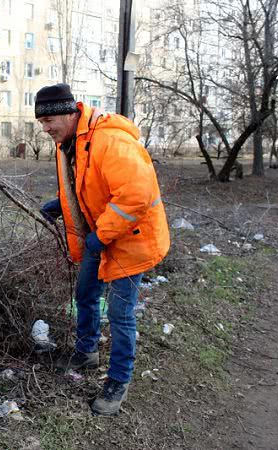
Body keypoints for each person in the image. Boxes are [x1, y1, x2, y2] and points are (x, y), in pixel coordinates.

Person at [36, 83, 170, 416]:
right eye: (40, 122)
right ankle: (87, 352)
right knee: (85, 294)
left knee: (120, 315)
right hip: (102, 233)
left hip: (132, 238)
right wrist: (62, 205)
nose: (45, 128)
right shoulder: (70, 142)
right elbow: (90, 185)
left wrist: (101, 235)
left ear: (68, 113)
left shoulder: (110, 140)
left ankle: (118, 381)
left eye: (49, 120)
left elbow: (136, 195)